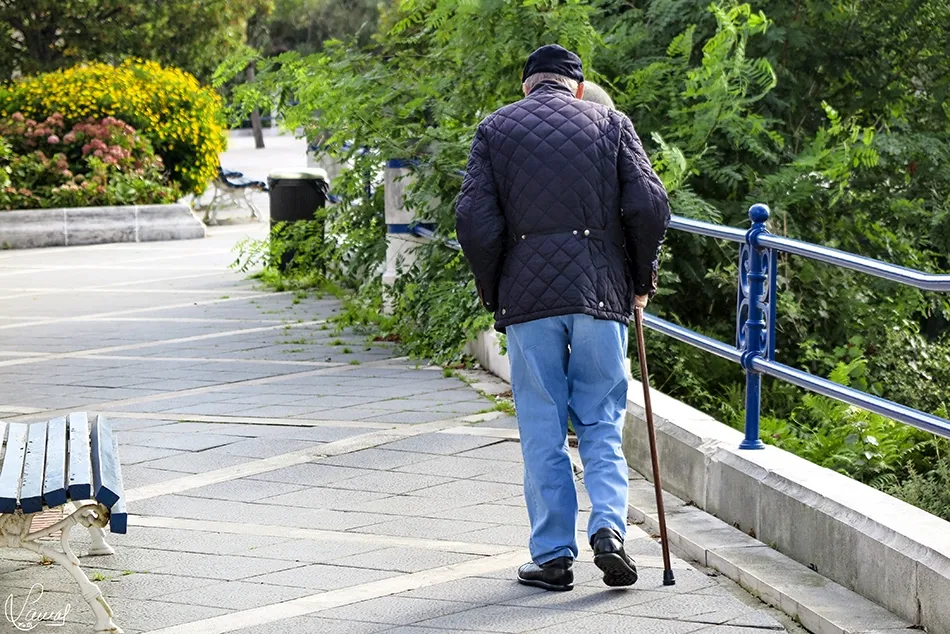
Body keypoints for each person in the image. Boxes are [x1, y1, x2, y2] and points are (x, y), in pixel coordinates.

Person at [455, 44, 671, 592]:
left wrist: (492, 287)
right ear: (577, 87)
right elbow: (648, 205)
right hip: (601, 291)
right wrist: (641, 280)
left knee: (542, 425)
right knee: (601, 418)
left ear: (525, 86)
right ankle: (609, 531)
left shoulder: (495, 129)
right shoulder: (610, 122)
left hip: (528, 300)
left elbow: (474, 221)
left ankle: (552, 556)